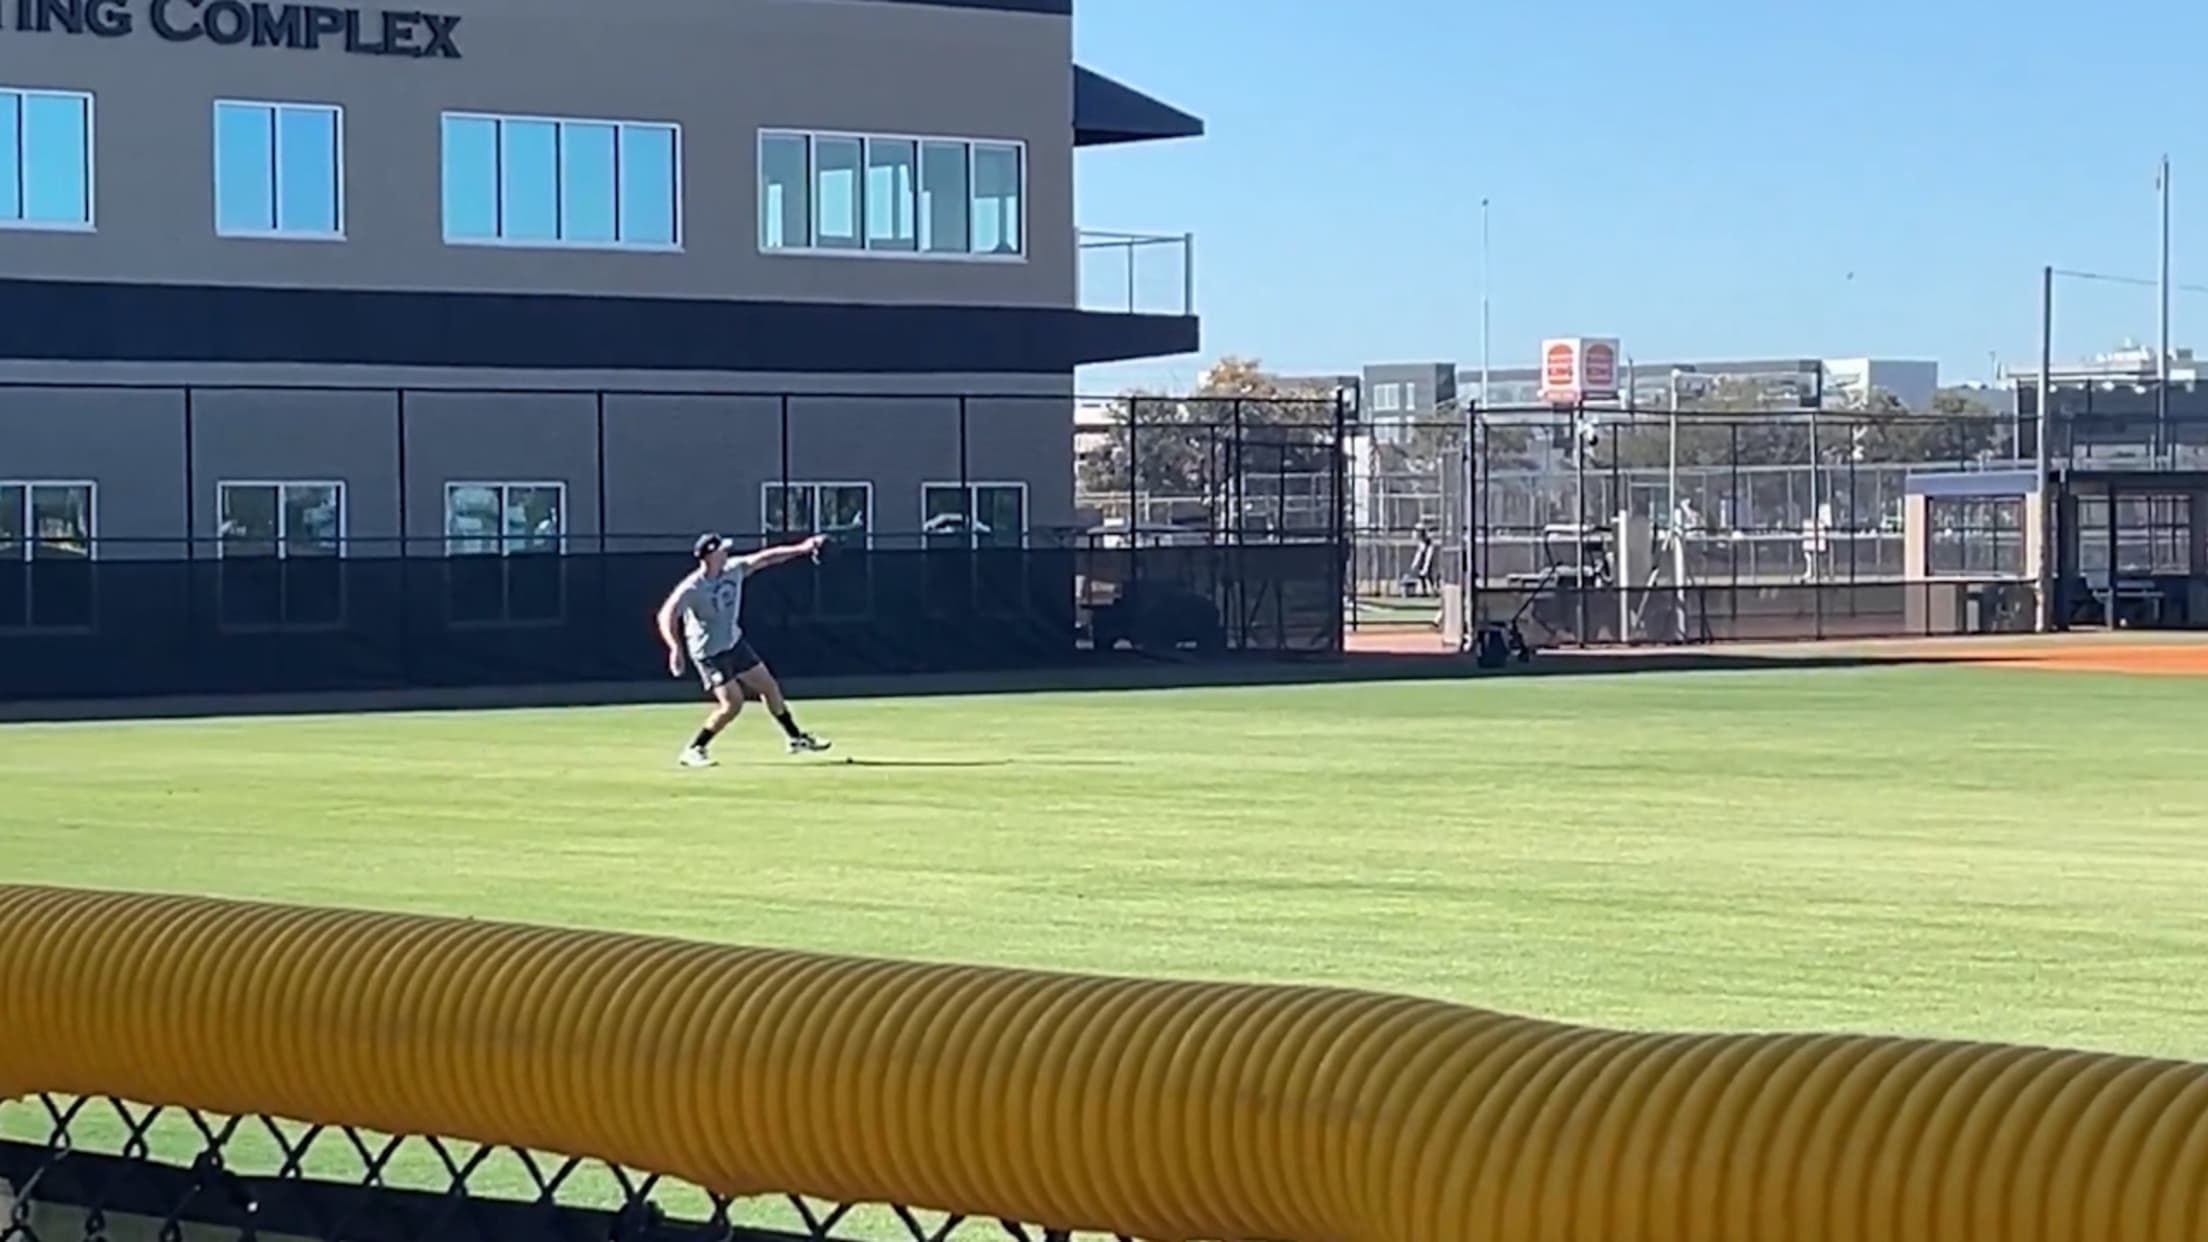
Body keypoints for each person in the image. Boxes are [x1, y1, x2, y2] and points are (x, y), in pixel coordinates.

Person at [658, 531, 831, 767]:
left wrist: (803, 548)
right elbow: (666, 615)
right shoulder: (692, 588)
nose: (726, 553)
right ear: (710, 555)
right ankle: (694, 749)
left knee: (769, 687)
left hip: (734, 644)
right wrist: (675, 648)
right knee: (732, 704)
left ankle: (795, 738)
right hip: (710, 654)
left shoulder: (734, 569)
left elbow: (767, 558)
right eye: (722, 550)